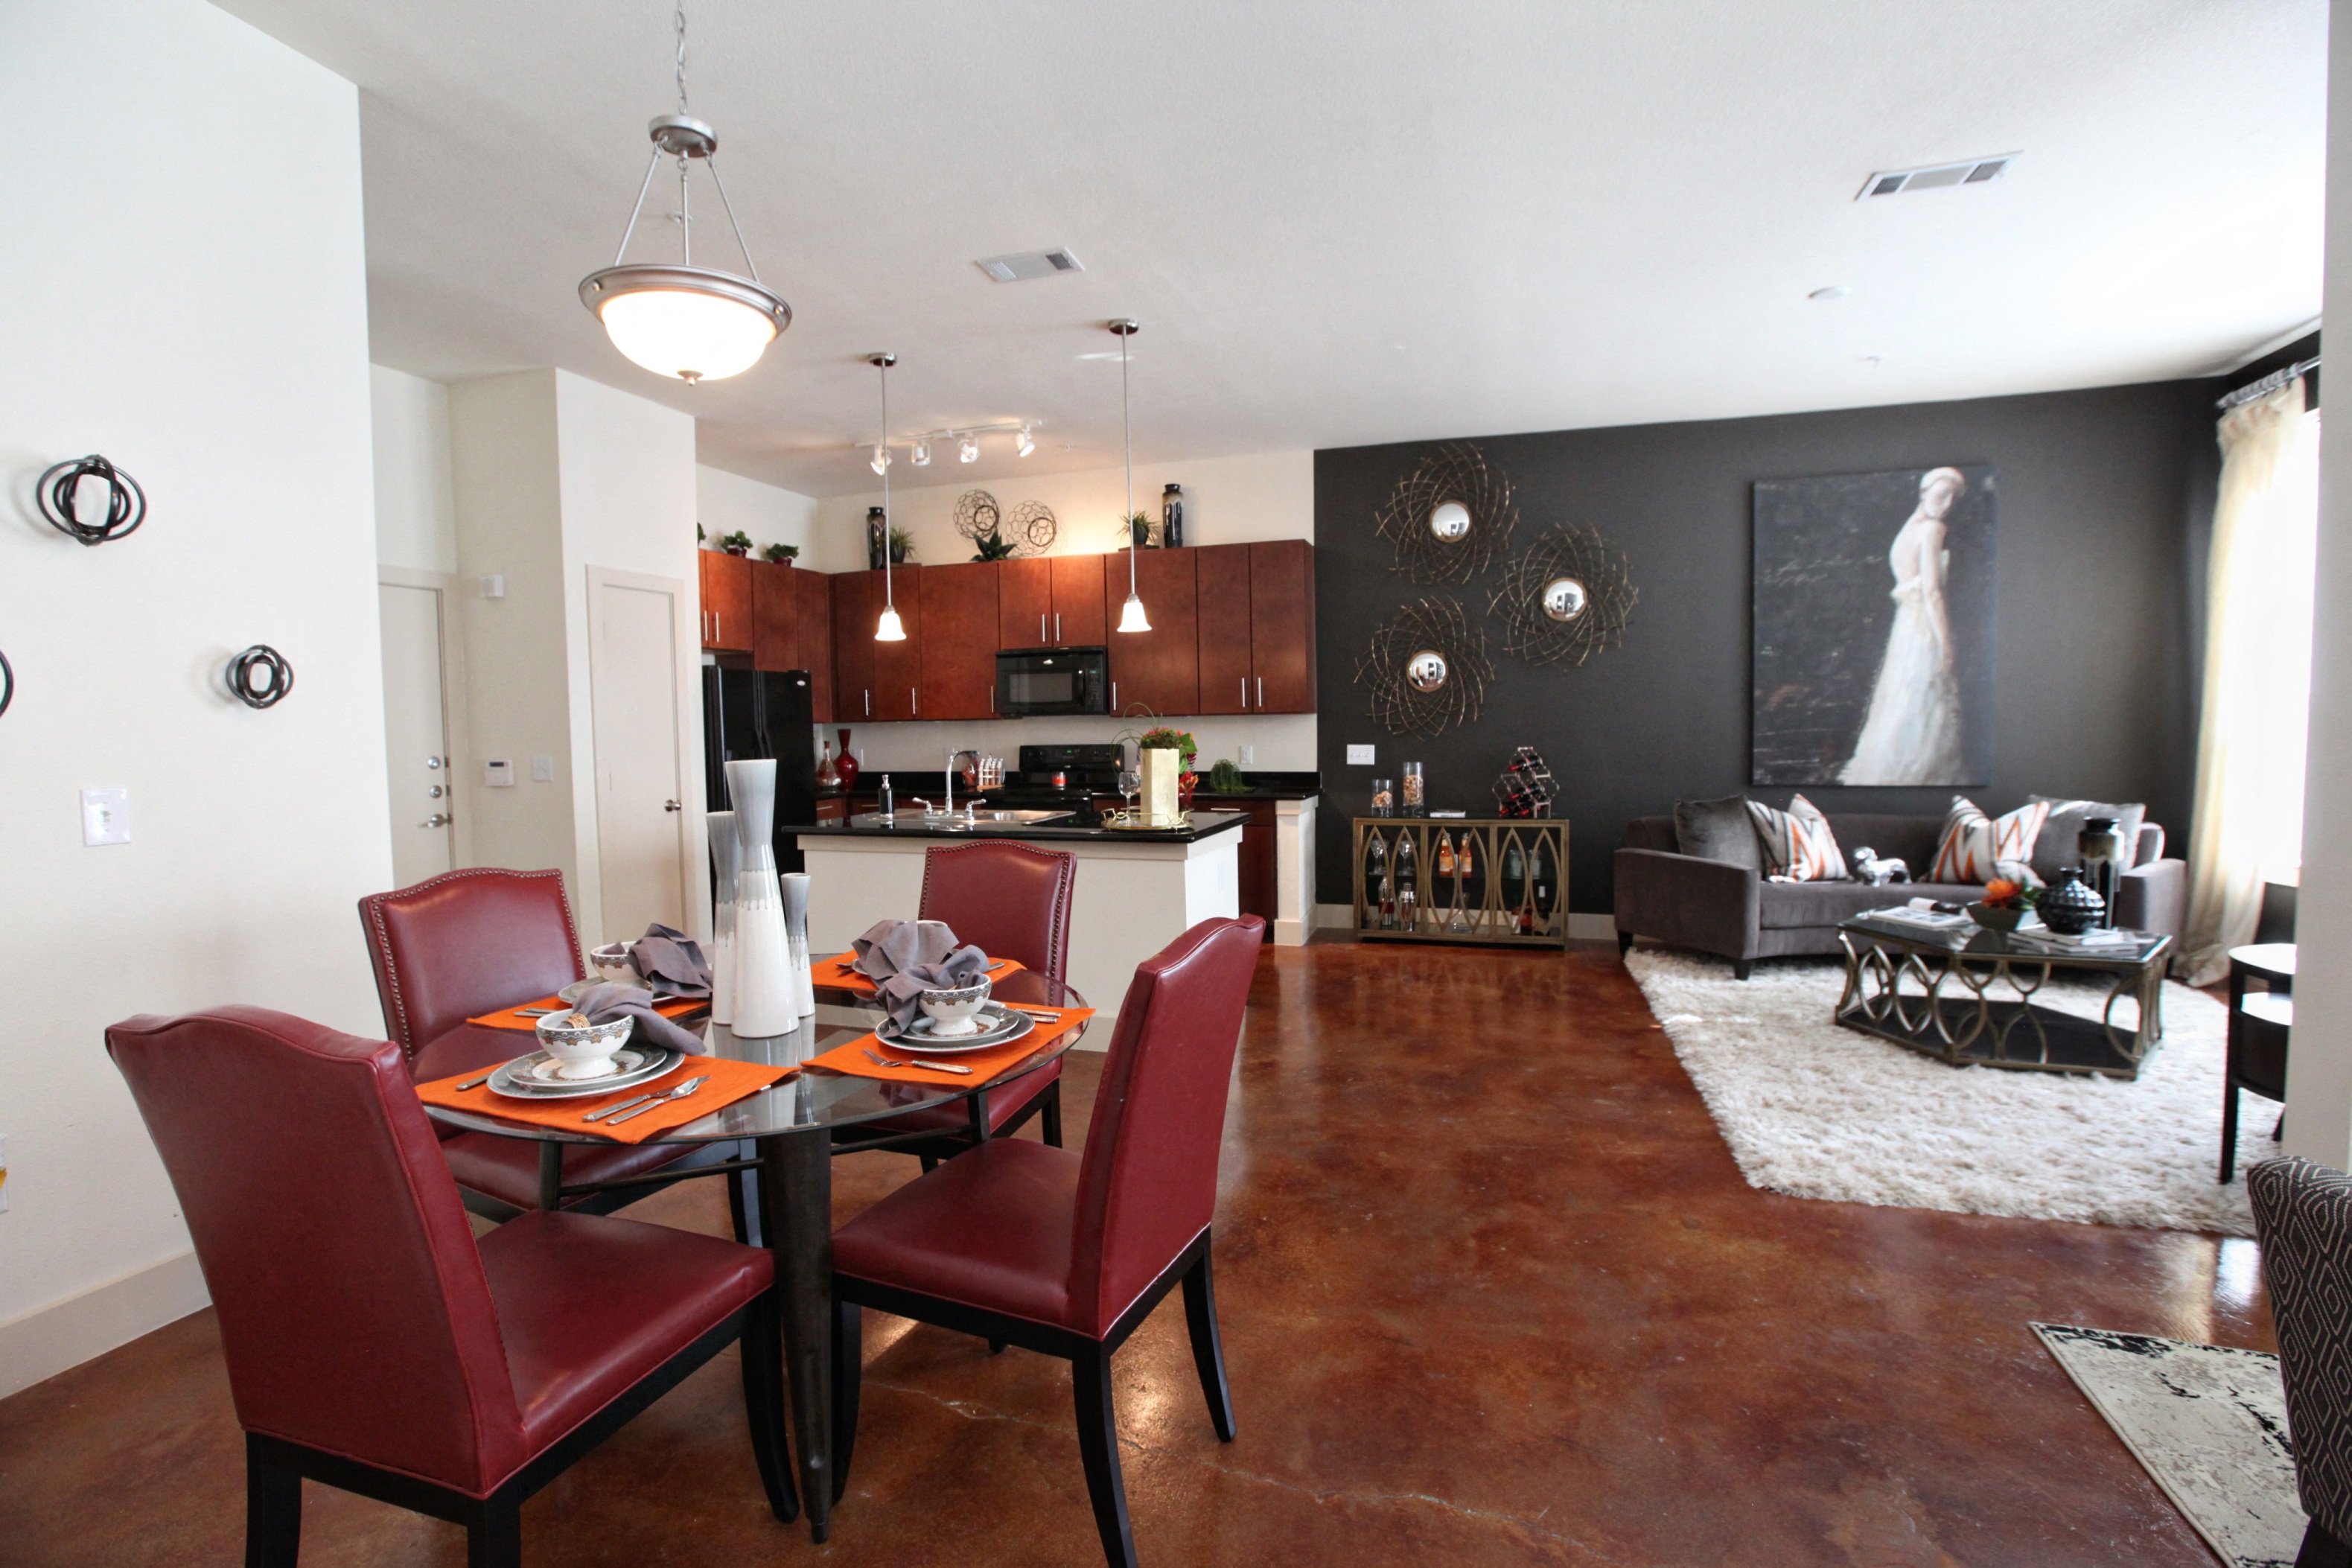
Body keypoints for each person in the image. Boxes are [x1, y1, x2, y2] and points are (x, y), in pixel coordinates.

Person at [1841, 467, 1966, 785]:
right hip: (1924, 627)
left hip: (1906, 626)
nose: (1947, 502)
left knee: (1903, 701)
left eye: (1953, 497)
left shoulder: (1908, 528)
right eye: (1941, 494)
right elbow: (1932, 593)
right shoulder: (1933, 529)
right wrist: (1948, 644)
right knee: (1921, 700)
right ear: (1924, 494)